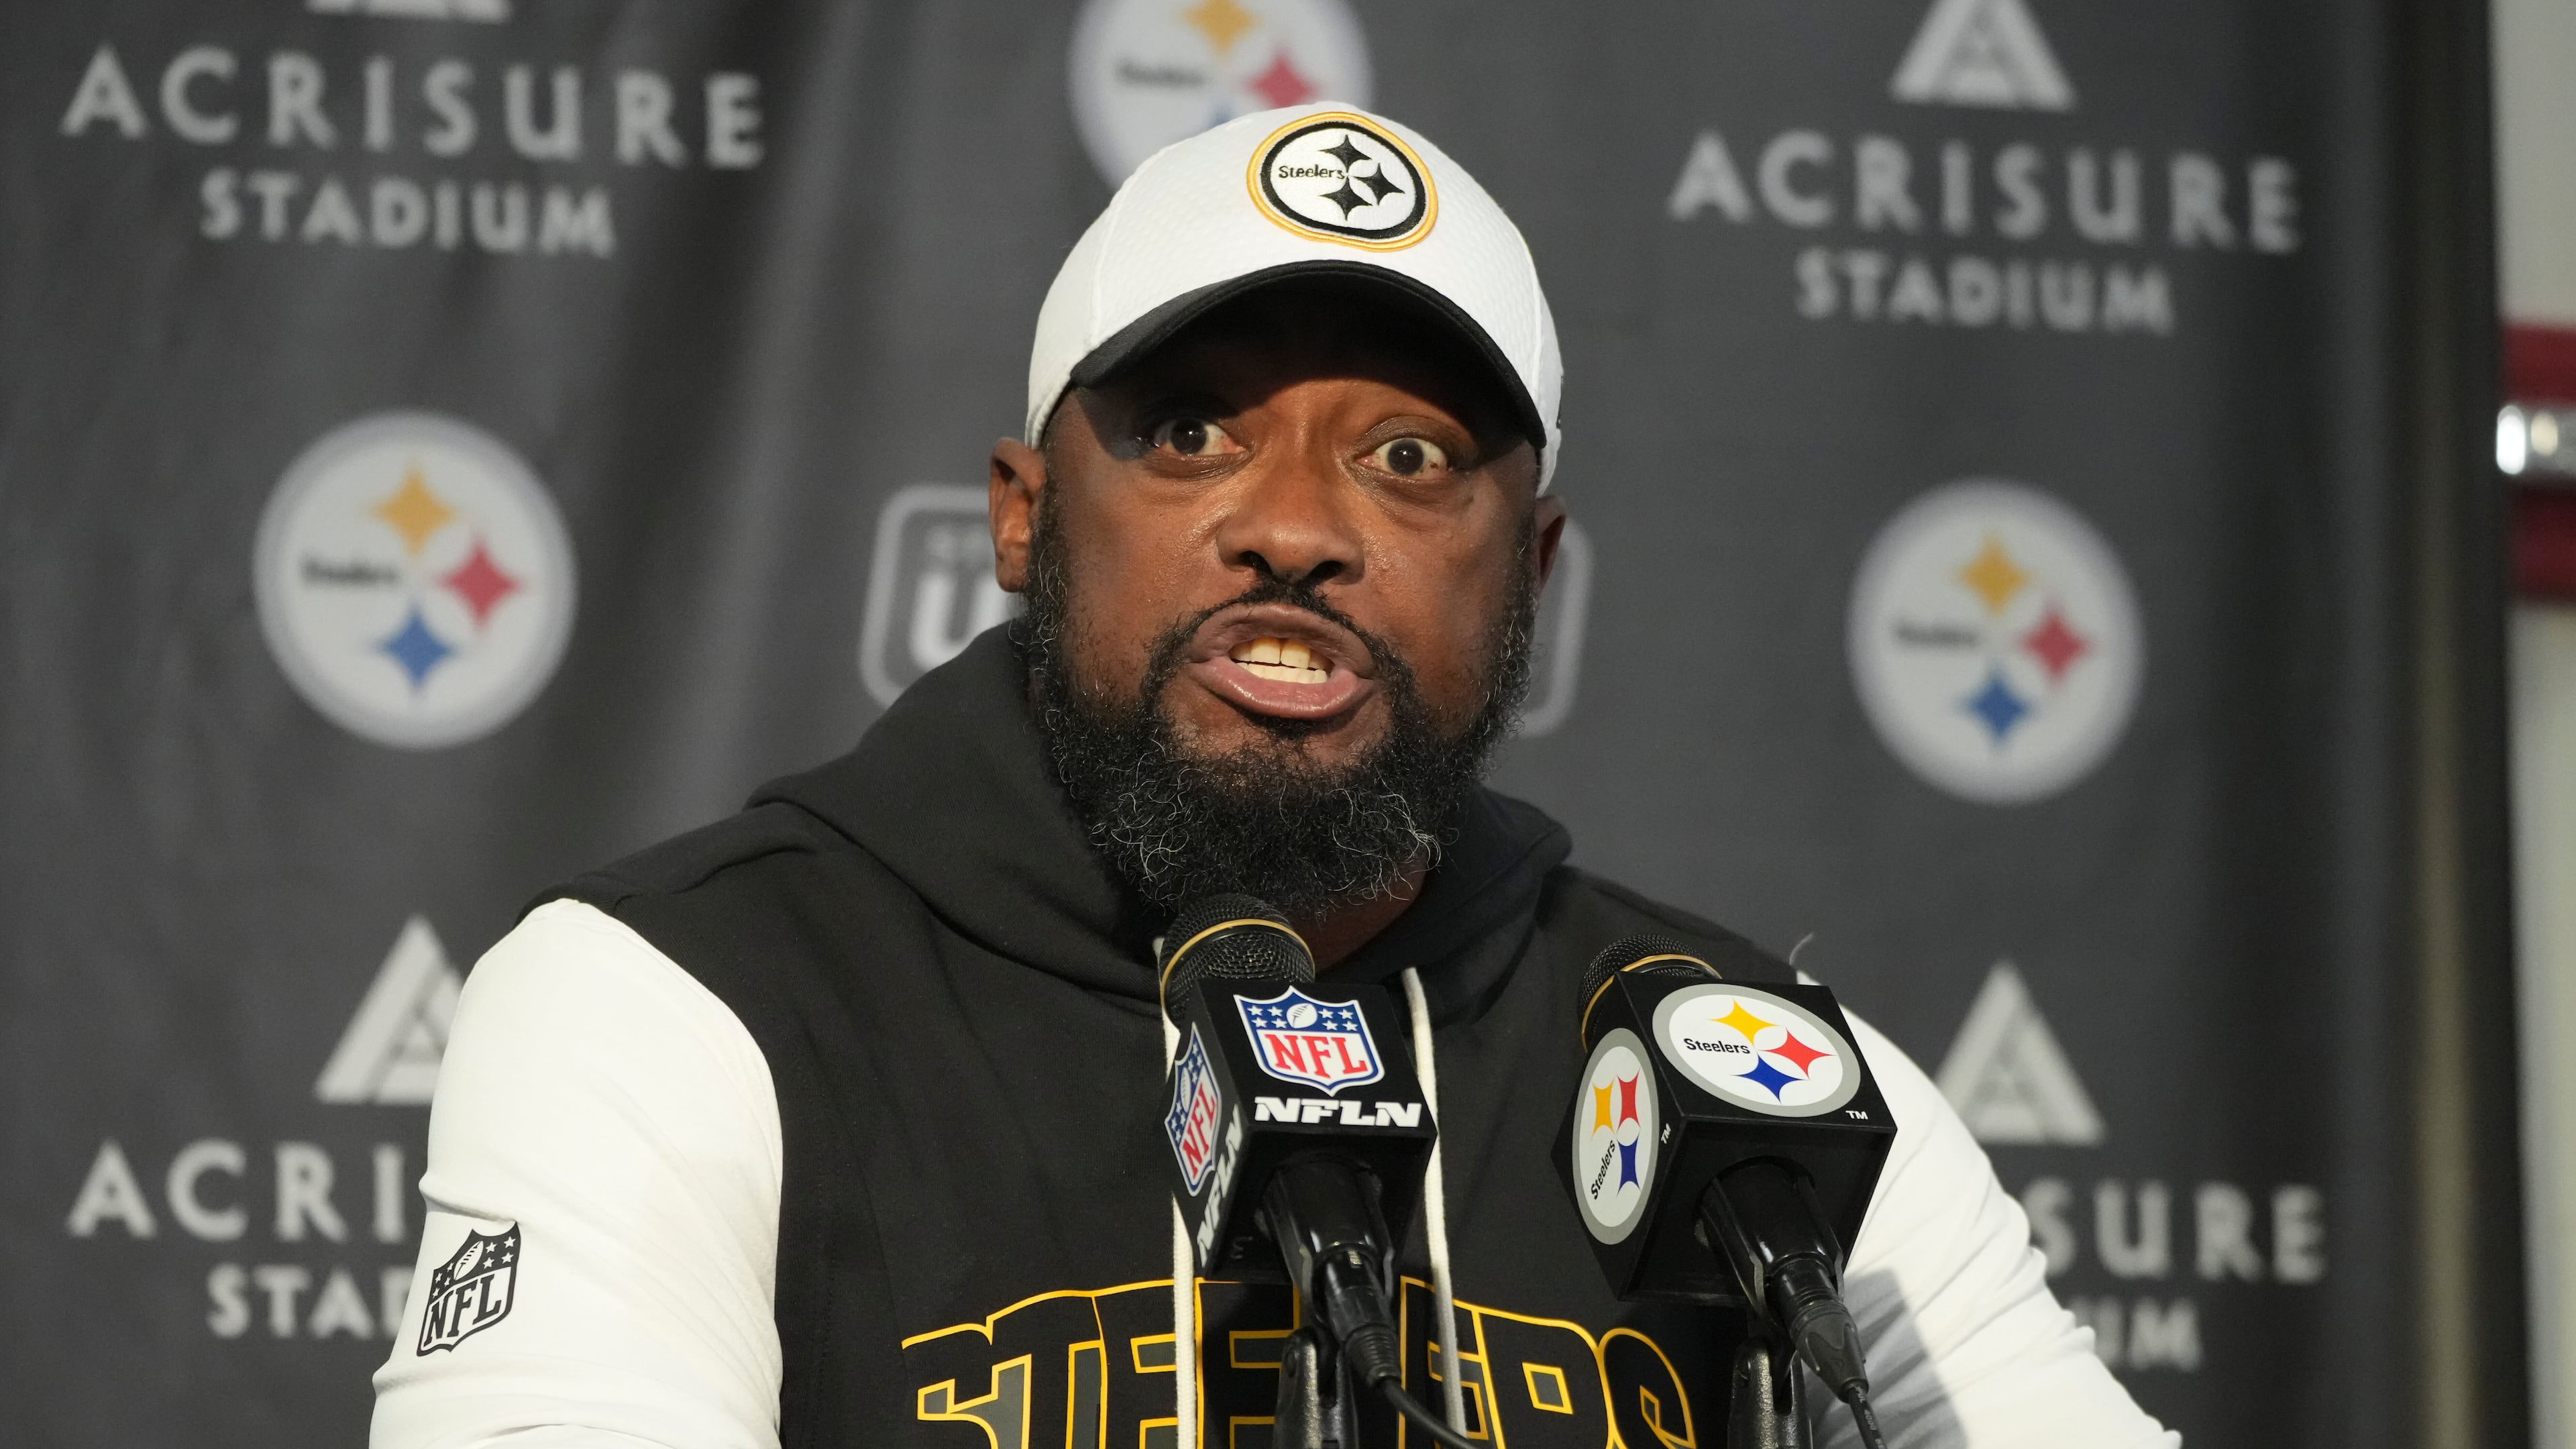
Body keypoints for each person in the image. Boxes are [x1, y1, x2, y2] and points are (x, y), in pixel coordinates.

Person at [372, 103, 2175, 1449]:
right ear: (1022, 518)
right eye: (1190, 432)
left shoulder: (1751, 1069)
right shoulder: (685, 999)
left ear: (1533, 573)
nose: (1300, 527)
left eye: (1408, 455)